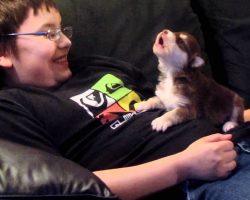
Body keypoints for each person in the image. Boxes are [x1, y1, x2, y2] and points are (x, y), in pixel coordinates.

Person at [0, 0, 249, 199]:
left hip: (236, 140)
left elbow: (184, 106)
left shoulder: (98, 67)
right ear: (3, 52)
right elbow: (67, 188)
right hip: (201, 180)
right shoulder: (13, 107)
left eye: (63, 30)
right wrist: (183, 166)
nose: (66, 41)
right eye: (49, 33)